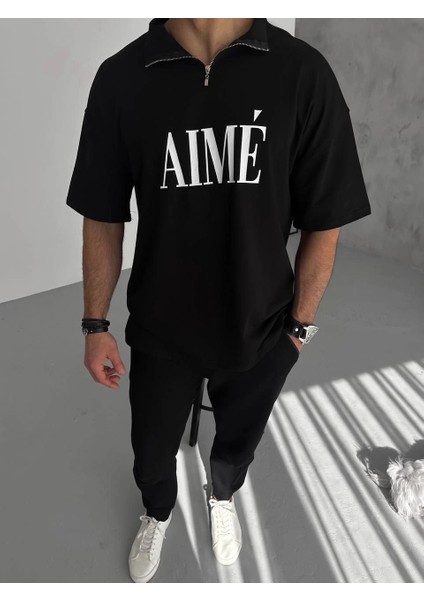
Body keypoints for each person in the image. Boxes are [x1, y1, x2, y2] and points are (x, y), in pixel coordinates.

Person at [66, 18, 371, 583]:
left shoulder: (302, 73)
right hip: (160, 328)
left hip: (263, 325)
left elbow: (325, 218)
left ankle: (222, 496)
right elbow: (102, 212)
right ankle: (158, 512)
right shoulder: (122, 77)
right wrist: (95, 324)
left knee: (236, 446)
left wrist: (299, 329)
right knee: (151, 453)